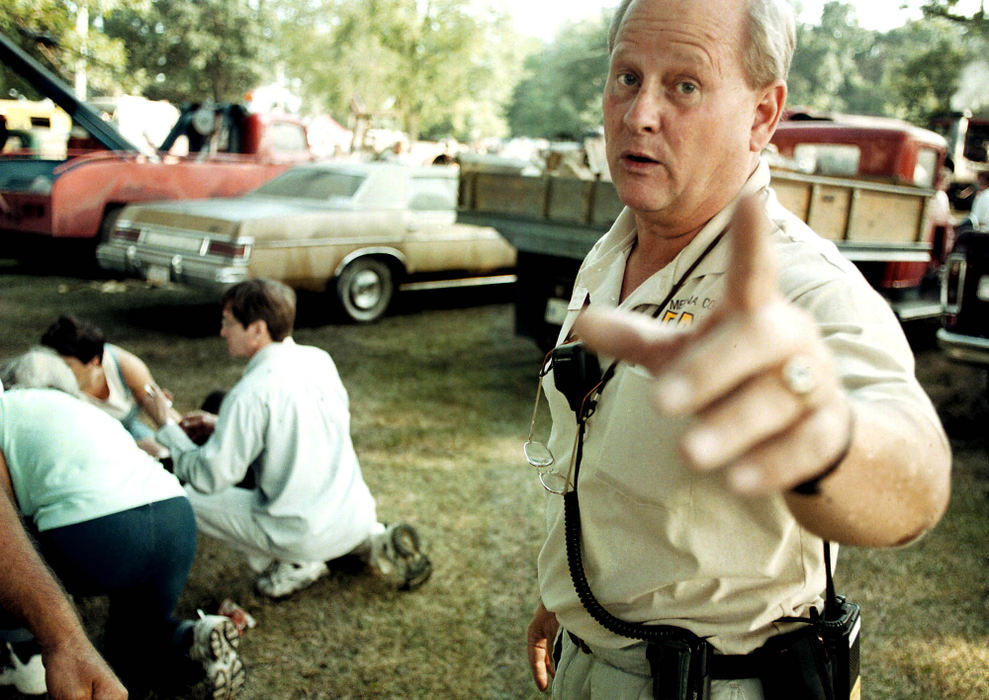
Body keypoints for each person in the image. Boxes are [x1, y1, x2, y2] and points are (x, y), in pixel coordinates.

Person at [524, 1, 952, 699]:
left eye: (684, 85)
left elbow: (916, 478)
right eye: (626, 76)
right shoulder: (618, 248)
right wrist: (571, 604)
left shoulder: (801, 284)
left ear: (761, 115)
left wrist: (820, 435)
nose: (639, 114)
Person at [145, 279, 432, 598]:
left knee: (177, 497)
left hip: (301, 531)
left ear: (257, 330)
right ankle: (371, 541)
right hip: (355, 513)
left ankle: (299, 561)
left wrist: (166, 426)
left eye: (228, 323)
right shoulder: (318, 359)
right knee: (319, 510)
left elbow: (209, 477)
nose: (223, 332)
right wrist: (222, 425)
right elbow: (298, 426)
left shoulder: (250, 394)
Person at [0, 348, 245, 699]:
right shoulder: (90, 412)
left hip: (97, 532)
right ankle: (193, 640)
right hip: (175, 518)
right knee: (129, 643)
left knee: (10, 560)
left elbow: (7, 518)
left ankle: (25, 659)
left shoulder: (7, 409)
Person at [41, 315, 181, 458]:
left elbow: (160, 409)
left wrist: (189, 437)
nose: (57, 370)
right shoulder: (48, 382)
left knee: (163, 454)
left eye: (67, 365)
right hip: (82, 443)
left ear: (93, 362)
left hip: (128, 431)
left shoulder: (125, 365)